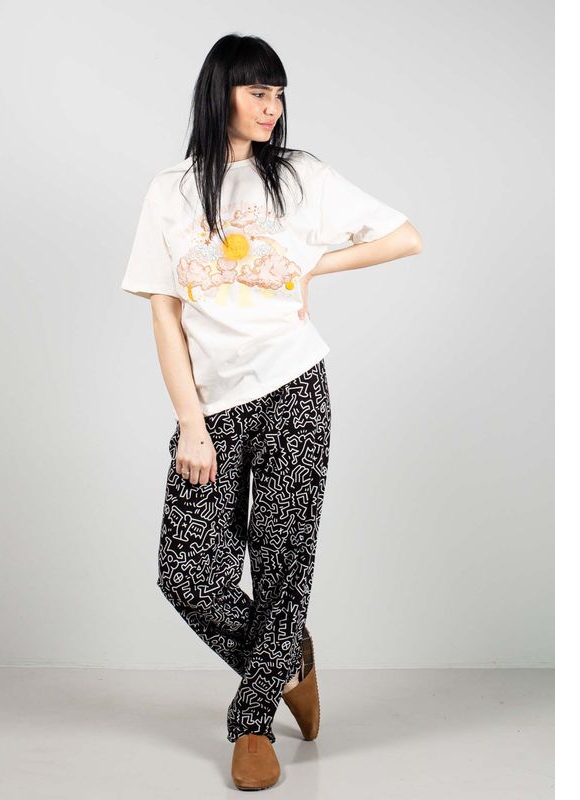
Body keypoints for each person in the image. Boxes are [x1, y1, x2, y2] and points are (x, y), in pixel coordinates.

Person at [120, 33, 423, 791]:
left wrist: (315, 264)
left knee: (283, 562)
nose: (272, 107)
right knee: (186, 573)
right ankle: (289, 659)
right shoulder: (170, 192)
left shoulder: (299, 177)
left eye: (279, 94)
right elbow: (164, 315)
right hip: (214, 406)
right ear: (219, 91)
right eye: (257, 91)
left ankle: (251, 724)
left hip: (294, 388)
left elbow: (405, 237)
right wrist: (190, 422)